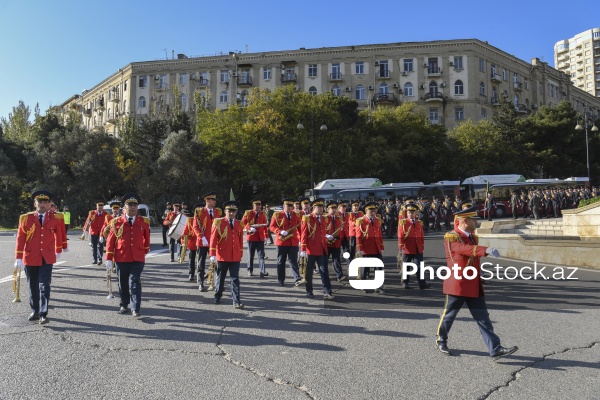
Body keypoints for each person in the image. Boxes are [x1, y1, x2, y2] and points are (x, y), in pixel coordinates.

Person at [436, 205, 518, 359]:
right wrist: (484, 250)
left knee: (483, 318)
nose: (477, 222)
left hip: (473, 283)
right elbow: (462, 249)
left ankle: (495, 348)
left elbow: (472, 259)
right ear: (466, 221)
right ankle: (441, 340)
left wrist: (480, 273)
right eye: (474, 219)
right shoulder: (451, 236)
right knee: (449, 316)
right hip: (458, 284)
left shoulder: (472, 236)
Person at [14, 190, 65, 324]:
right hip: (30, 256)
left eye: (45, 202)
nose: (42, 205)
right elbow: (20, 238)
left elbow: (58, 233)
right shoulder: (26, 218)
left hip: (47, 257)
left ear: (49, 204)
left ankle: (43, 313)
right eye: (40, 202)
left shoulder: (56, 217)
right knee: (32, 285)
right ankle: (35, 310)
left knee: (44, 285)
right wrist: (18, 257)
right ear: (34, 203)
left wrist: (58, 249)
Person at [105, 193, 151, 318]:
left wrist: (144, 251)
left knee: (135, 281)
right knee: (123, 282)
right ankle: (124, 304)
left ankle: (135, 308)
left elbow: (147, 238)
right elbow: (110, 240)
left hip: (137, 258)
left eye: (135, 205)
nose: (133, 207)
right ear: (124, 207)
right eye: (130, 205)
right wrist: (108, 258)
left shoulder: (144, 221)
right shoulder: (116, 222)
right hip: (121, 256)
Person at [211, 201, 244, 309]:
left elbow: (240, 240)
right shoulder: (219, 222)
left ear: (236, 212)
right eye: (229, 211)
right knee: (221, 278)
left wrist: (240, 253)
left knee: (235, 279)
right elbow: (213, 238)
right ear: (225, 211)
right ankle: (218, 295)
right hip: (222, 255)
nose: (231, 213)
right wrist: (212, 254)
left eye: (233, 211)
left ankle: (236, 300)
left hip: (235, 256)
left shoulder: (239, 223)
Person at [300, 198, 334, 299]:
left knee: (324, 271)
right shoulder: (307, 218)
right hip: (311, 249)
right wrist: (303, 249)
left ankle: (327, 291)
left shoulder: (324, 218)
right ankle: (309, 291)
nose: (321, 209)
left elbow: (323, 231)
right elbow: (304, 234)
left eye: (322, 207)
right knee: (309, 272)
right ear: (314, 208)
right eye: (319, 207)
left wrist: (327, 236)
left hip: (322, 248)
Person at [270, 198, 303, 286]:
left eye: (290, 206)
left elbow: (300, 228)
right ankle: (281, 279)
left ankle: (297, 279)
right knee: (281, 261)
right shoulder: (277, 214)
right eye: (287, 206)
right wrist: (279, 231)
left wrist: (301, 240)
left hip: (293, 241)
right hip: (282, 241)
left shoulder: (296, 215)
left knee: (293, 261)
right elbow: (271, 227)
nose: (289, 208)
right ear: (283, 206)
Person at [193, 192, 222, 292]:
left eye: (214, 200)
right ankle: (201, 283)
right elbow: (195, 227)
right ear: (207, 201)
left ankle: (214, 283)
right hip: (203, 242)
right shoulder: (199, 211)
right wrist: (202, 237)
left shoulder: (218, 212)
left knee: (214, 263)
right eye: (213, 200)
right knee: (201, 263)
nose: (215, 202)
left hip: (214, 242)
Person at [398, 202, 430, 290]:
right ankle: (405, 282)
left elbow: (421, 236)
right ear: (406, 213)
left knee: (419, 266)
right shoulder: (403, 222)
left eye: (412, 213)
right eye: (409, 213)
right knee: (406, 266)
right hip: (407, 248)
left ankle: (422, 284)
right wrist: (401, 248)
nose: (410, 214)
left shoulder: (419, 223)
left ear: (415, 213)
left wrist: (422, 246)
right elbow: (400, 236)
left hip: (417, 248)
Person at [355, 202, 385, 293]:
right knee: (365, 268)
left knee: (379, 268)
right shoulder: (361, 221)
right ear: (366, 211)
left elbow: (379, 235)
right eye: (370, 210)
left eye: (374, 210)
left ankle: (378, 286)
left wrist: (381, 246)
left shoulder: (377, 220)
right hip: (366, 248)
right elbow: (358, 236)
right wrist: (360, 249)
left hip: (376, 248)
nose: (373, 212)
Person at [241, 199, 269, 277]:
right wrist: (249, 228)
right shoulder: (248, 213)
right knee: (251, 255)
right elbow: (243, 222)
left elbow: (265, 225)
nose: (258, 207)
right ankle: (250, 270)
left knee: (261, 255)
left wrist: (266, 236)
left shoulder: (263, 213)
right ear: (253, 206)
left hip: (260, 237)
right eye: (256, 205)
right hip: (251, 237)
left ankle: (262, 271)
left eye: (259, 205)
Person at [326, 201, 347, 282]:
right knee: (325, 260)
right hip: (327, 243)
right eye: (332, 208)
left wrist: (339, 237)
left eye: (335, 208)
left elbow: (341, 230)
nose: (334, 210)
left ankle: (339, 275)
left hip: (336, 242)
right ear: (328, 209)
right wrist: (327, 236)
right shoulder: (325, 218)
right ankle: (325, 275)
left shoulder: (339, 218)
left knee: (336, 259)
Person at [181, 204, 200, 281]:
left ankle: (201, 275)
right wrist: (184, 242)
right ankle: (191, 274)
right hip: (193, 243)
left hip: (203, 243)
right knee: (192, 259)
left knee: (201, 261)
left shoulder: (206, 219)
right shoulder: (190, 220)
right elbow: (185, 232)